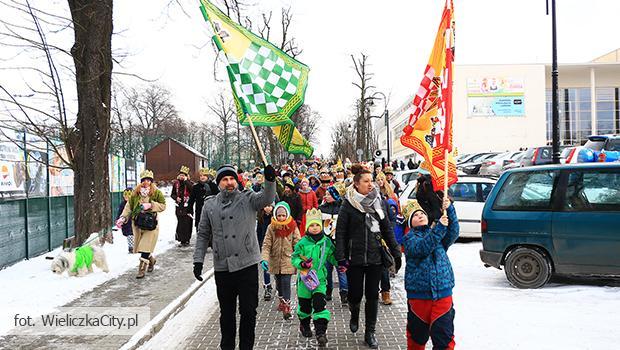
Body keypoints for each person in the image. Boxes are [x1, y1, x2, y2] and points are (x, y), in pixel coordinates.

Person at [193, 164, 276, 350]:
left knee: (248, 311)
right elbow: (203, 234)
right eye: (225, 179)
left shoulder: (248, 198)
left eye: (232, 179)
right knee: (227, 314)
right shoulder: (210, 204)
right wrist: (198, 260)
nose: (229, 182)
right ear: (219, 183)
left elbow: (267, 198)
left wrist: (270, 180)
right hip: (223, 267)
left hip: (247, 265)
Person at [335, 164, 402, 349]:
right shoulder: (348, 204)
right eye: (366, 181)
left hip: (375, 257)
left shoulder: (377, 200)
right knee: (355, 294)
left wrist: (396, 252)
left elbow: (386, 228)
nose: (370, 184)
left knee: (372, 295)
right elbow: (340, 232)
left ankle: (370, 332)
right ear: (356, 184)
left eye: (371, 180)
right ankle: (354, 311)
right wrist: (341, 256)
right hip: (354, 258)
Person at [402, 198, 459, 350]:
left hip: (443, 294)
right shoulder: (409, 239)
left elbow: (453, 232)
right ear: (409, 222)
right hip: (419, 297)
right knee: (417, 338)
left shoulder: (438, 235)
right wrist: (439, 228)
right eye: (415, 215)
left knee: (444, 338)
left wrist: (450, 210)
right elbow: (423, 247)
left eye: (422, 213)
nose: (420, 216)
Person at [292, 208, 338, 347]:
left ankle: (321, 333)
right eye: (311, 225)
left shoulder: (326, 242)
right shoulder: (302, 243)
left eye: (317, 225)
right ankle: (305, 325)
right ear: (307, 227)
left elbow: (332, 256)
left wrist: (341, 263)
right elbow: (294, 258)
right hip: (304, 281)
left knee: (319, 305)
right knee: (305, 307)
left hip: (319, 281)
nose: (315, 228)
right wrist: (302, 264)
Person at [116, 170, 166, 278]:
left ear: (151, 181)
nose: (146, 182)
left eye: (148, 180)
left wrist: (151, 205)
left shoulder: (156, 192)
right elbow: (128, 207)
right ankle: (151, 260)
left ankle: (141, 269)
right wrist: (123, 217)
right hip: (138, 224)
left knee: (145, 246)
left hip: (151, 225)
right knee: (141, 247)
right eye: (144, 180)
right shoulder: (135, 193)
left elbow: (163, 206)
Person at [260, 202, 301, 320]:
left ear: (287, 215)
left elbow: (297, 242)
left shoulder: (292, 226)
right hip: (275, 260)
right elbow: (267, 244)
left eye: (283, 215)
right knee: (279, 283)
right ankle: (281, 298)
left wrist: (299, 255)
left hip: (288, 259)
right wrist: (264, 259)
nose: (281, 218)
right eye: (279, 215)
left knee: (286, 281)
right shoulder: (271, 227)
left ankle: (287, 305)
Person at [319, 186, 348, 304]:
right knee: (327, 269)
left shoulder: (342, 208)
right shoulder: (321, 208)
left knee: (341, 269)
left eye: (328, 194)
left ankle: (344, 292)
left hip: (339, 244)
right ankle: (328, 291)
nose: (326, 196)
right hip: (326, 245)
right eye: (325, 194)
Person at [188, 168, 219, 247]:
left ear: (207, 176)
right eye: (201, 176)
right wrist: (189, 209)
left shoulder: (213, 186)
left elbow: (218, 197)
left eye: (204, 176)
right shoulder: (196, 187)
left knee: (211, 225)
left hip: (211, 209)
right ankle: (202, 242)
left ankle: (211, 242)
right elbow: (191, 199)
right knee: (200, 225)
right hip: (200, 209)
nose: (202, 177)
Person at [171, 166, 194, 247]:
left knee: (187, 223)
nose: (181, 176)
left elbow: (192, 190)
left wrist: (186, 181)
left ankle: (187, 239)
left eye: (183, 175)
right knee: (180, 223)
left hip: (188, 206)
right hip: (179, 207)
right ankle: (181, 239)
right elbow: (172, 194)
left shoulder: (190, 183)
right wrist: (176, 198)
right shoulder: (176, 184)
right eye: (180, 175)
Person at [257, 203, 274, 301]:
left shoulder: (275, 218)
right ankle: (267, 286)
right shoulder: (260, 218)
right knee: (265, 266)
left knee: (275, 266)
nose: (268, 208)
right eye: (266, 206)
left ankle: (278, 283)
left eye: (270, 206)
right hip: (264, 245)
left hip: (274, 245)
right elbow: (258, 233)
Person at [116, 187, 134, 253]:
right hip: (126, 223)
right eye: (125, 195)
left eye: (129, 195)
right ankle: (131, 247)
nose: (127, 196)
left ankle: (133, 247)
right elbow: (119, 212)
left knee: (132, 235)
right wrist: (118, 220)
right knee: (129, 235)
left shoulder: (134, 203)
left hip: (134, 222)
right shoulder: (122, 204)